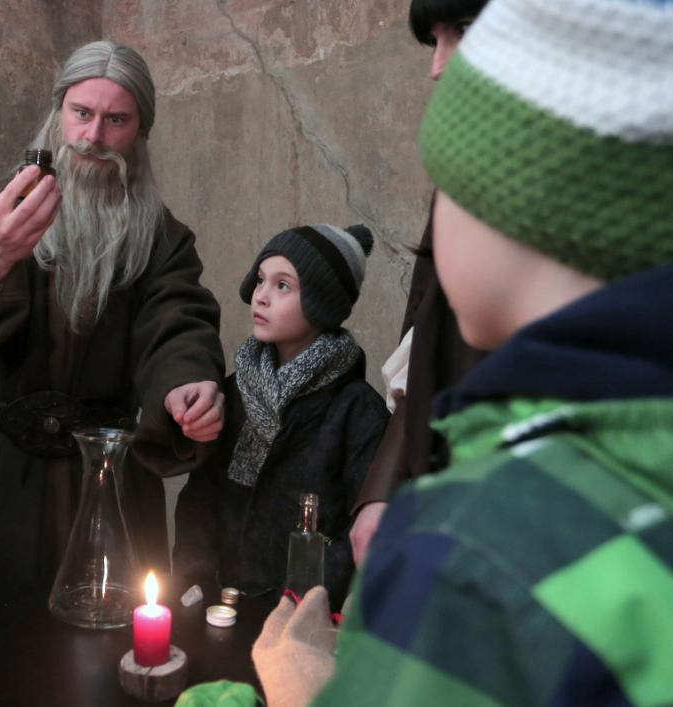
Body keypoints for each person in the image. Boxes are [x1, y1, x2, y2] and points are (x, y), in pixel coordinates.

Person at [245, 0, 673, 704]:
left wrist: (304, 690)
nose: (440, 62)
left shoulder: (472, 555)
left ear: (516, 208)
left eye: (451, 190)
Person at [0, 40, 226, 607]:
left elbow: (179, 320)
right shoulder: (4, 208)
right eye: (81, 113)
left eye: (116, 119)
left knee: (110, 656)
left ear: (140, 131)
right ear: (59, 115)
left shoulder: (163, 237)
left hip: (113, 479)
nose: (94, 136)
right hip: (7, 479)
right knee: (0, 657)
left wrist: (186, 384)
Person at [173, 225, 388, 612]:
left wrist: (303, 600)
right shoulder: (236, 390)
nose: (261, 296)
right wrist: (195, 575)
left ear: (323, 302)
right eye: (260, 280)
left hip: (301, 621)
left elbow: (355, 532)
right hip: (219, 605)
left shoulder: (357, 410)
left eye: (283, 285)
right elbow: (201, 494)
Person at [348, 0, 488, 567]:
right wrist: (382, 491)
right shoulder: (459, 178)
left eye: (464, 32)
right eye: (434, 41)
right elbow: (423, 344)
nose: (438, 67)